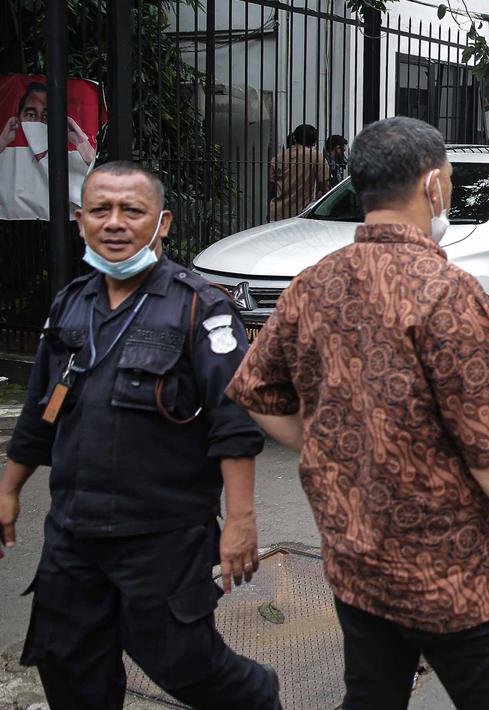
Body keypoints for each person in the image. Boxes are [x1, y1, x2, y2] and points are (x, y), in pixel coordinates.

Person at [226, 117, 489, 708]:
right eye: (451, 182)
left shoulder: (311, 285)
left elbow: (255, 389)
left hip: (356, 559)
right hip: (454, 573)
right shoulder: (448, 291)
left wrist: (325, 445)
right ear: (433, 186)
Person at [1, 162, 281, 709]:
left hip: (163, 536)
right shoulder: (69, 306)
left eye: (132, 210)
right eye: (100, 210)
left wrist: (242, 522)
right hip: (72, 533)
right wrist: (10, 488)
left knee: (185, 666)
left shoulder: (200, 305)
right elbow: (40, 411)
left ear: (163, 222)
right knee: (69, 667)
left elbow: (233, 420)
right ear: (80, 220)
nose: (115, 223)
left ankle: (258, 696)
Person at [267, 123, 330, 221]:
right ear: (314, 142)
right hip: (302, 214)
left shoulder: (278, 158)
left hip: (277, 213)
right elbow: (325, 187)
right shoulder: (317, 157)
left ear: (294, 139)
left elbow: (272, 187)